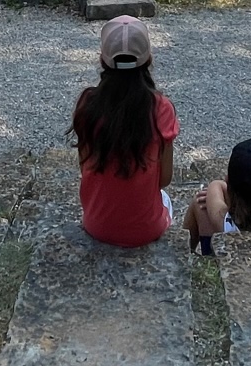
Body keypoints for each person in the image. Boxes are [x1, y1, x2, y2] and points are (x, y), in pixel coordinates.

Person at [72, 15, 180, 246]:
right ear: (148, 59)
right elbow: (164, 178)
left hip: (96, 224)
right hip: (147, 229)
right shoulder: (161, 108)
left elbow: (85, 167)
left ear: (103, 60)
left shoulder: (87, 104)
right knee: (167, 201)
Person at [183, 137, 251, 252]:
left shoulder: (224, 224)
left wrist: (234, 188)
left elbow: (215, 186)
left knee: (199, 203)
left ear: (227, 180)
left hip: (226, 257)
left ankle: (185, 252)